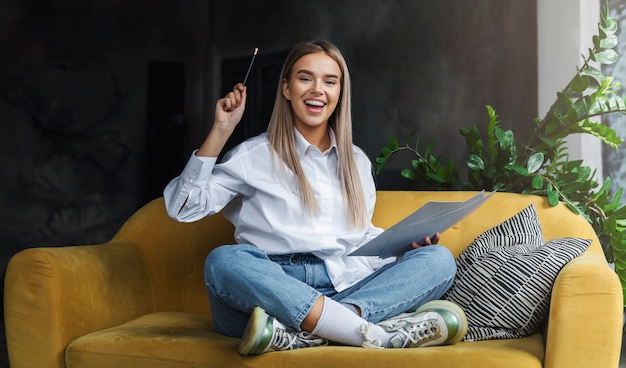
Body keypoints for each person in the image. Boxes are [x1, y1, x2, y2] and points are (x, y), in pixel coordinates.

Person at [163, 40, 467, 354]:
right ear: (287, 88)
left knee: (437, 260)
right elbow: (181, 208)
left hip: (344, 287)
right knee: (224, 261)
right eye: (305, 78)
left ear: (340, 93)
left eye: (330, 81)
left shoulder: (357, 162)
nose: (317, 89)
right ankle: (369, 332)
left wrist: (402, 250)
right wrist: (221, 130)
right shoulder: (253, 155)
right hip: (270, 294)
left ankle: (317, 329)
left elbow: (358, 239)